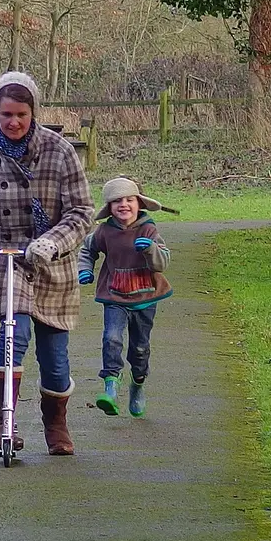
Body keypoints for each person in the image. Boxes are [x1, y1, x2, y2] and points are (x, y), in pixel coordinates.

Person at [0, 72, 93, 456]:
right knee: (16, 331)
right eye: (6, 113)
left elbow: (81, 212)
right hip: (1, 257)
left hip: (51, 260)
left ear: (33, 113)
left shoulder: (60, 151)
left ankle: (55, 423)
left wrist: (51, 242)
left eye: (21, 114)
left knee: (55, 360)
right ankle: (0, 422)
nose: (14, 122)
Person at [77, 177, 175, 418]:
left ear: (139, 203)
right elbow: (87, 250)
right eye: (117, 201)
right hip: (115, 296)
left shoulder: (148, 229)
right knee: (111, 338)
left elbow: (163, 262)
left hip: (145, 297)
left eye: (129, 200)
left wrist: (151, 250)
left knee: (140, 348)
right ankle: (110, 387)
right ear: (109, 207)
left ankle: (138, 384)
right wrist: (85, 269)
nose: (124, 205)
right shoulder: (104, 232)